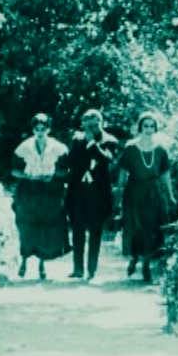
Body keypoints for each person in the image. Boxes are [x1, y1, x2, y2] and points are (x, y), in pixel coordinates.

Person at [10, 113, 71, 280]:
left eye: (43, 128)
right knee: (27, 225)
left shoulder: (59, 148)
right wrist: (29, 176)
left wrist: (54, 175)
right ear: (33, 130)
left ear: (49, 129)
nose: (40, 132)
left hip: (50, 192)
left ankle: (41, 264)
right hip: (29, 191)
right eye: (37, 128)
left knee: (45, 226)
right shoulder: (23, 148)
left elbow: (66, 170)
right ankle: (24, 261)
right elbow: (14, 170)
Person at [117, 111, 176, 283]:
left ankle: (146, 265)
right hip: (134, 193)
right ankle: (134, 258)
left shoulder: (161, 149)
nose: (149, 129)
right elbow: (123, 172)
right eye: (145, 126)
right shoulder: (131, 148)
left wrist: (170, 195)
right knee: (135, 227)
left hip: (153, 193)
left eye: (152, 126)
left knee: (151, 229)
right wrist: (118, 193)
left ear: (155, 128)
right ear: (140, 127)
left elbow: (165, 174)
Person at [65, 109, 120, 281]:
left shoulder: (110, 140)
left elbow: (106, 160)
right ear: (83, 125)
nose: (92, 129)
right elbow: (71, 163)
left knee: (95, 232)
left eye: (95, 125)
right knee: (78, 231)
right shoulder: (76, 140)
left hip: (99, 194)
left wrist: (92, 144)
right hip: (79, 192)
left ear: (101, 123)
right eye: (88, 126)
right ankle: (78, 268)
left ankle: (92, 269)